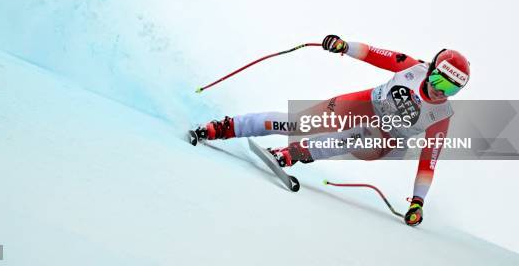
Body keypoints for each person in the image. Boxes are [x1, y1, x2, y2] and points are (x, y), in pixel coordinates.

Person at [193, 35, 470, 226]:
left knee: (357, 136)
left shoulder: (441, 116)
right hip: (364, 103)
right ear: (431, 68)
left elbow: (428, 162)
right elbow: (374, 54)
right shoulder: (412, 68)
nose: (438, 89)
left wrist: (417, 203)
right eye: (437, 79)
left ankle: (290, 154)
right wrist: (343, 46)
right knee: (297, 123)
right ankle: (223, 128)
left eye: (449, 89)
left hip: (382, 139)